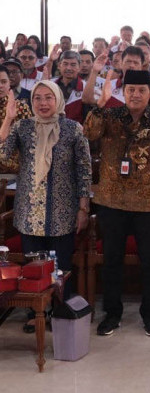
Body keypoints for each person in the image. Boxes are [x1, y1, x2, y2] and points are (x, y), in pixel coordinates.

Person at [84, 69, 150, 338]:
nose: (135, 95)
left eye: (141, 90)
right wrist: (100, 105)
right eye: (130, 90)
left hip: (148, 203)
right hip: (111, 200)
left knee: (149, 262)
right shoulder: (110, 116)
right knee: (112, 260)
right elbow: (89, 134)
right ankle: (111, 314)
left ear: (149, 94)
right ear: (122, 93)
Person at [0, 80, 91, 331]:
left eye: (48, 97)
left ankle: (60, 311)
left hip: (62, 212)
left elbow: (84, 171)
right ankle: (35, 312)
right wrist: (8, 119)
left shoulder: (73, 129)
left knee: (61, 266)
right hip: (29, 212)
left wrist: (83, 209)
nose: (42, 103)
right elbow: (2, 155)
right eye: (38, 98)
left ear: (58, 100)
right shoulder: (22, 128)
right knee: (33, 267)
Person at [0, 65, 33, 173]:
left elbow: (29, 140)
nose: (0, 86)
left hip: (13, 161)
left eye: (4, 82)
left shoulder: (20, 107)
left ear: (9, 83)